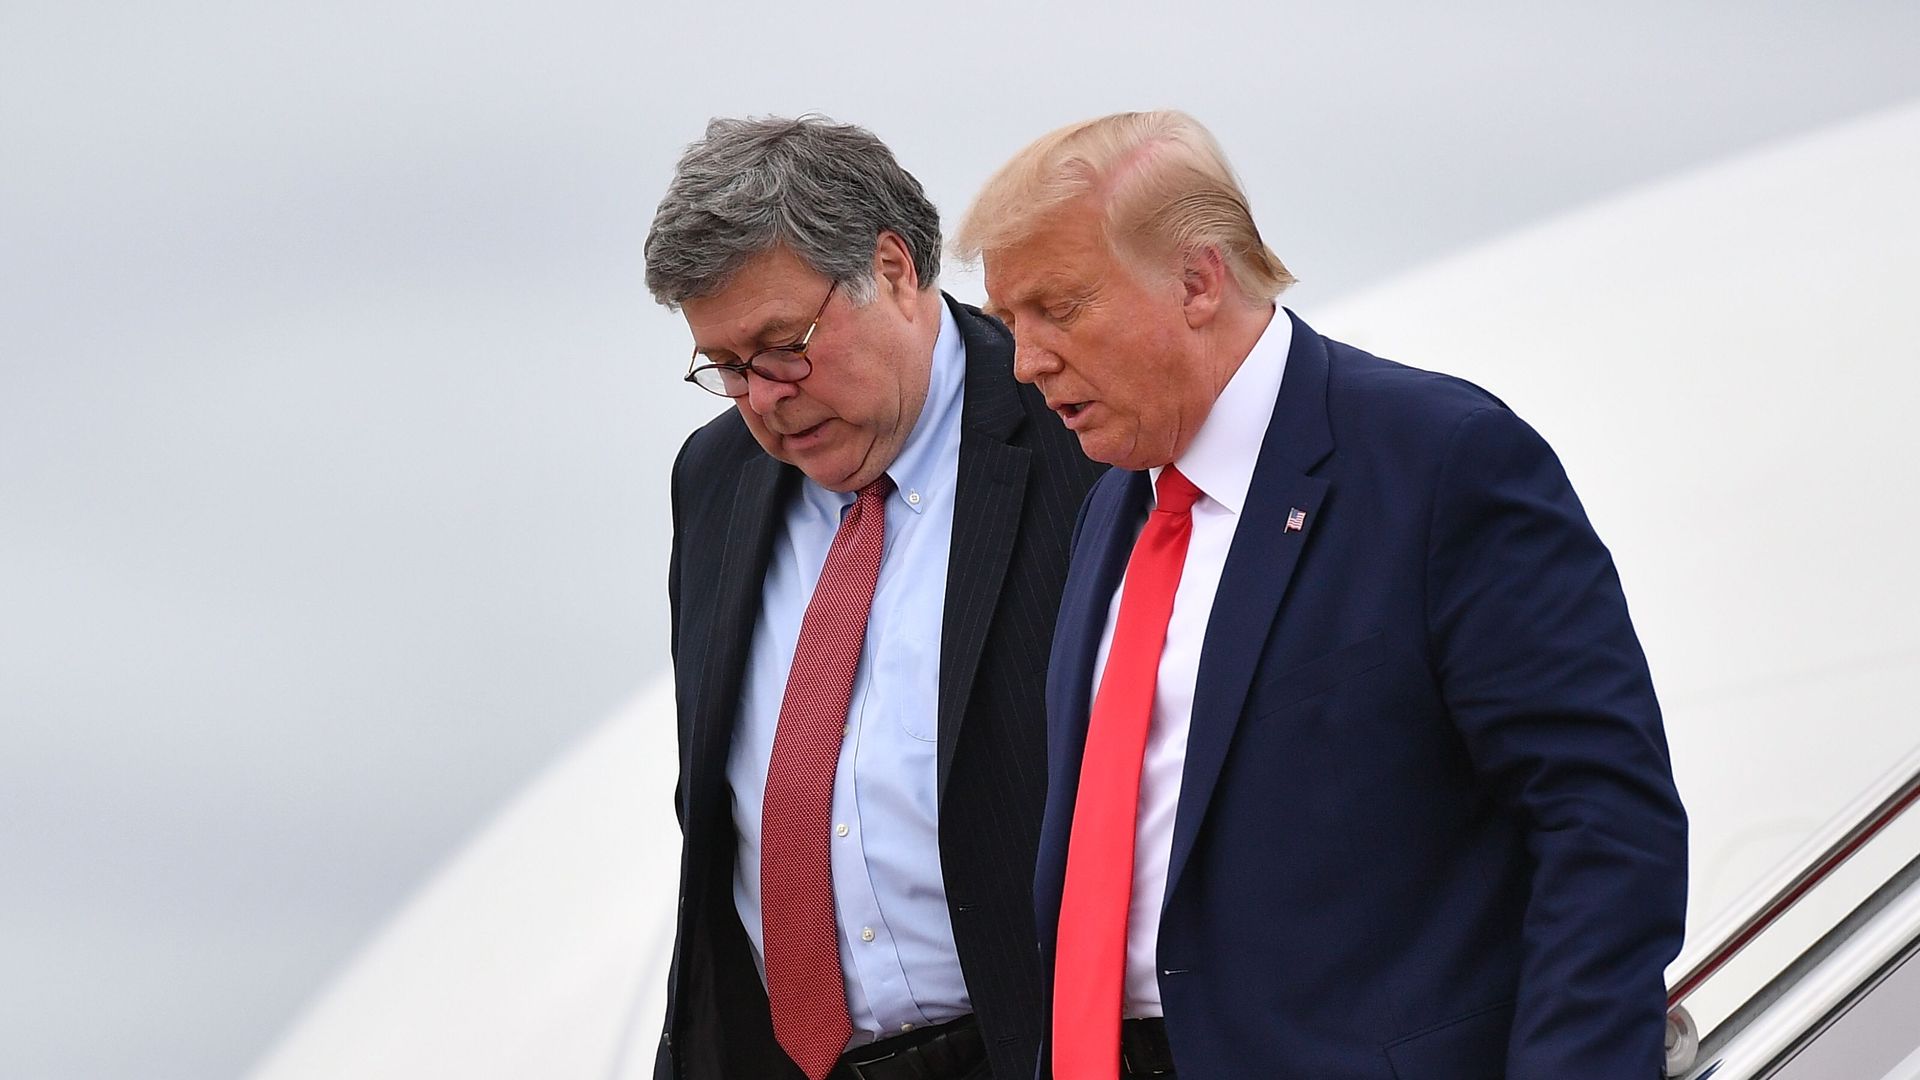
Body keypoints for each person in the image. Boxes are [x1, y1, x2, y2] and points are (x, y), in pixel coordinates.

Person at [954, 110, 1688, 1079]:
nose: (1028, 361)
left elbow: (1604, 826)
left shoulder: (1438, 461)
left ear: (1197, 279)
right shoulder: (1114, 509)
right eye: (1011, 322)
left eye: (1061, 307)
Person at [645, 116, 1104, 1080]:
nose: (762, 398)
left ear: (894, 268)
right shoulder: (715, 479)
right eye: (724, 367)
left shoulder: (1079, 434)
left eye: (782, 345)